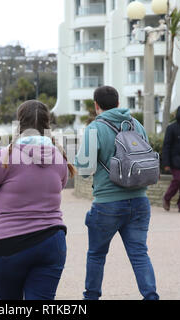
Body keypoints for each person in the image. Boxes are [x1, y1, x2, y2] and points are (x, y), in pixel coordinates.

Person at [0, 100, 75, 300]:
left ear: (19, 124)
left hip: (9, 244)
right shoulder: (60, 158)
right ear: (48, 124)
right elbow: (59, 187)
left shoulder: (5, 156)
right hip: (52, 241)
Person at [75, 86, 159, 300]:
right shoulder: (135, 124)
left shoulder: (95, 128)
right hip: (140, 200)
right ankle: (151, 296)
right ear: (118, 102)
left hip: (107, 204)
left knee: (96, 255)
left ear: (96, 105)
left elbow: (84, 170)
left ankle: (91, 298)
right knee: (139, 254)